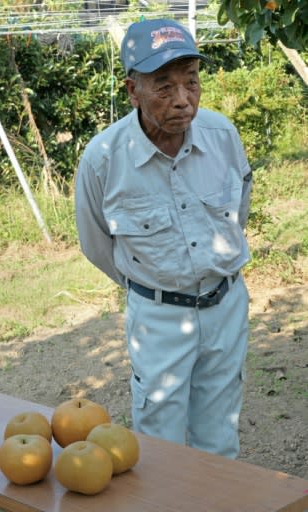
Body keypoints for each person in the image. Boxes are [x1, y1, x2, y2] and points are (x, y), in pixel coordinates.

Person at [75, 17, 252, 459]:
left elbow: (239, 211)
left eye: (191, 82)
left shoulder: (223, 136)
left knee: (219, 439)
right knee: (159, 444)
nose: (183, 100)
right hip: (158, 317)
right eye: (164, 86)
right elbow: (97, 243)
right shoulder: (102, 159)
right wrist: (152, 287)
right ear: (132, 90)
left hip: (225, 305)